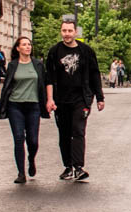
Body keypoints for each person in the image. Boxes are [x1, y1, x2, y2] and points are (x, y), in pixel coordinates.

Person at [45, 15, 104, 181]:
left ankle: (78, 167)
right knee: (64, 134)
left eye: (70, 31)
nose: (67, 34)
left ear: (76, 32)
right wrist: (50, 99)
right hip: (60, 100)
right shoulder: (54, 52)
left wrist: (99, 97)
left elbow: (94, 75)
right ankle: (67, 167)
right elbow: (48, 77)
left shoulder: (86, 51)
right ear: (61, 32)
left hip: (81, 99)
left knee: (78, 131)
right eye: (64, 30)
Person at [0, 35, 48, 184]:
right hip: (15, 105)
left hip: (33, 106)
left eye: (29, 44)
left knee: (33, 140)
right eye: (24, 45)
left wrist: (48, 101)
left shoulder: (37, 65)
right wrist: (1, 107)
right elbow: (7, 87)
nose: (27, 47)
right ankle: (21, 173)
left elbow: (43, 84)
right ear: (18, 48)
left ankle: (31, 159)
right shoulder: (13, 65)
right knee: (18, 138)